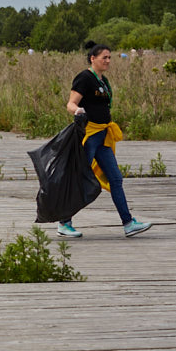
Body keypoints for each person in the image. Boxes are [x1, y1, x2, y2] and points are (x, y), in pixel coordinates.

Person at [59, 43, 152, 238]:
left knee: (115, 179)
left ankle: (128, 223)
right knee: (80, 178)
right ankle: (64, 223)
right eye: (104, 58)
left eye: (110, 57)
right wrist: (77, 111)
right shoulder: (84, 78)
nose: (108, 61)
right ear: (93, 58)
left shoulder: (103, 80)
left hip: (104, 137)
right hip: (90, 135)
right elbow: (71, 103)